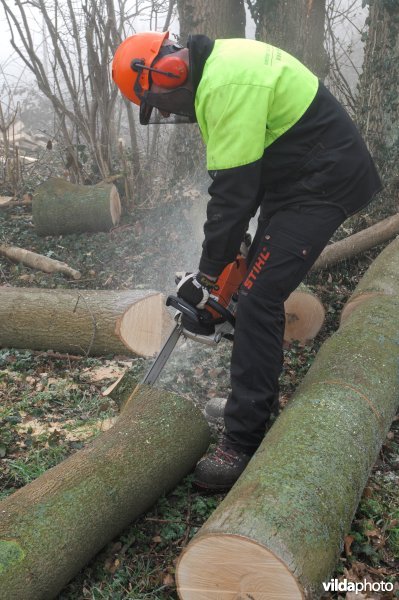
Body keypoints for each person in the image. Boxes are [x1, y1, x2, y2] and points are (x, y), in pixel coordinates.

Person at [112, 32, 382, 491]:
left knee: (257, 297)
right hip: (297, 178)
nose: (167, 112)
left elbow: (232, 195)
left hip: (322, 182)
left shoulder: (223, 84)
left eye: (158, 102)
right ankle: (249, 405)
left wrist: (209, 274)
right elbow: (246, 177)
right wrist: (230, 261)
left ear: (166, 72)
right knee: (252, 280)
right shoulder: (221, 70)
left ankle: (242, 439)